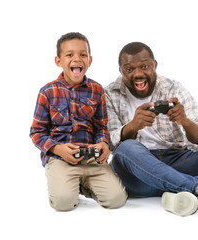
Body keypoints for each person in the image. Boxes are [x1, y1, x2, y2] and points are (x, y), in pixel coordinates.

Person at [105, 42, 198, 216]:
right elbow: (109, 144)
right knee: (125, 148)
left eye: (144, 66)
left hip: (177, 160)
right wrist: (133, 126)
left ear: (155, 65)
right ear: (121, 71)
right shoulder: (109, 94)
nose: (138, 74)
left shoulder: (173, 88)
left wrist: (184, 121)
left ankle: (179, 194)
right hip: (137, 172)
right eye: (129, 69)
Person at [30, 32, 127, 211]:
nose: (77, 59)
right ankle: (66, 183)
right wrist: (57, 148)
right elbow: (36, 133)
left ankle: (80, 185)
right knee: (63, 203)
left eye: (83, 54)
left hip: (91, 158)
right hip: (60, 158)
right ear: (58, 61)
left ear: (90, 60)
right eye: (70, 55)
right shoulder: (47, 91)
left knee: (117, 199)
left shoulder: (97, 90)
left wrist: (104, 144)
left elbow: (101, 127)